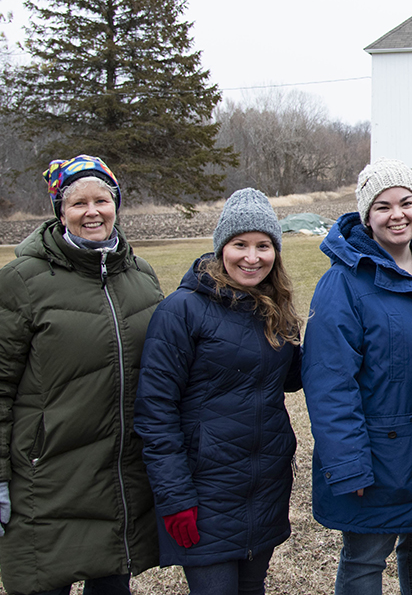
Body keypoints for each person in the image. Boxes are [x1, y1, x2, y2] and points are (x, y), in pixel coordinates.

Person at [0, 155, 163, 595]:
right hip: (47, 479)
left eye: (103, 199)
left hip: (119, 476)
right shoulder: (23, 279)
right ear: (60, 211)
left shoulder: (140, 276)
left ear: (117, 205)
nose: (92, 211)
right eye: (79, 202)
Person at [302, 159, 412, 595]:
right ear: (366, 217)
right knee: (365, 556)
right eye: (383, 206)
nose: (397, 214)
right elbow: (329, 382)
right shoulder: (342, 283)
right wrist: (348, 464)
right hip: (378, 453)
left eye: (406, 202)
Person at [134, 188, 302, 595]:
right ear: (220, 248)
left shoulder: (274, 309)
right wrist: (175, 498)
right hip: (203, 491)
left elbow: (291, 380)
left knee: (252, 587)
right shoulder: (182, 310)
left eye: (264, 246)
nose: (252, 256)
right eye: (239, 244)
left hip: (263, 485)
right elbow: (155, 411)